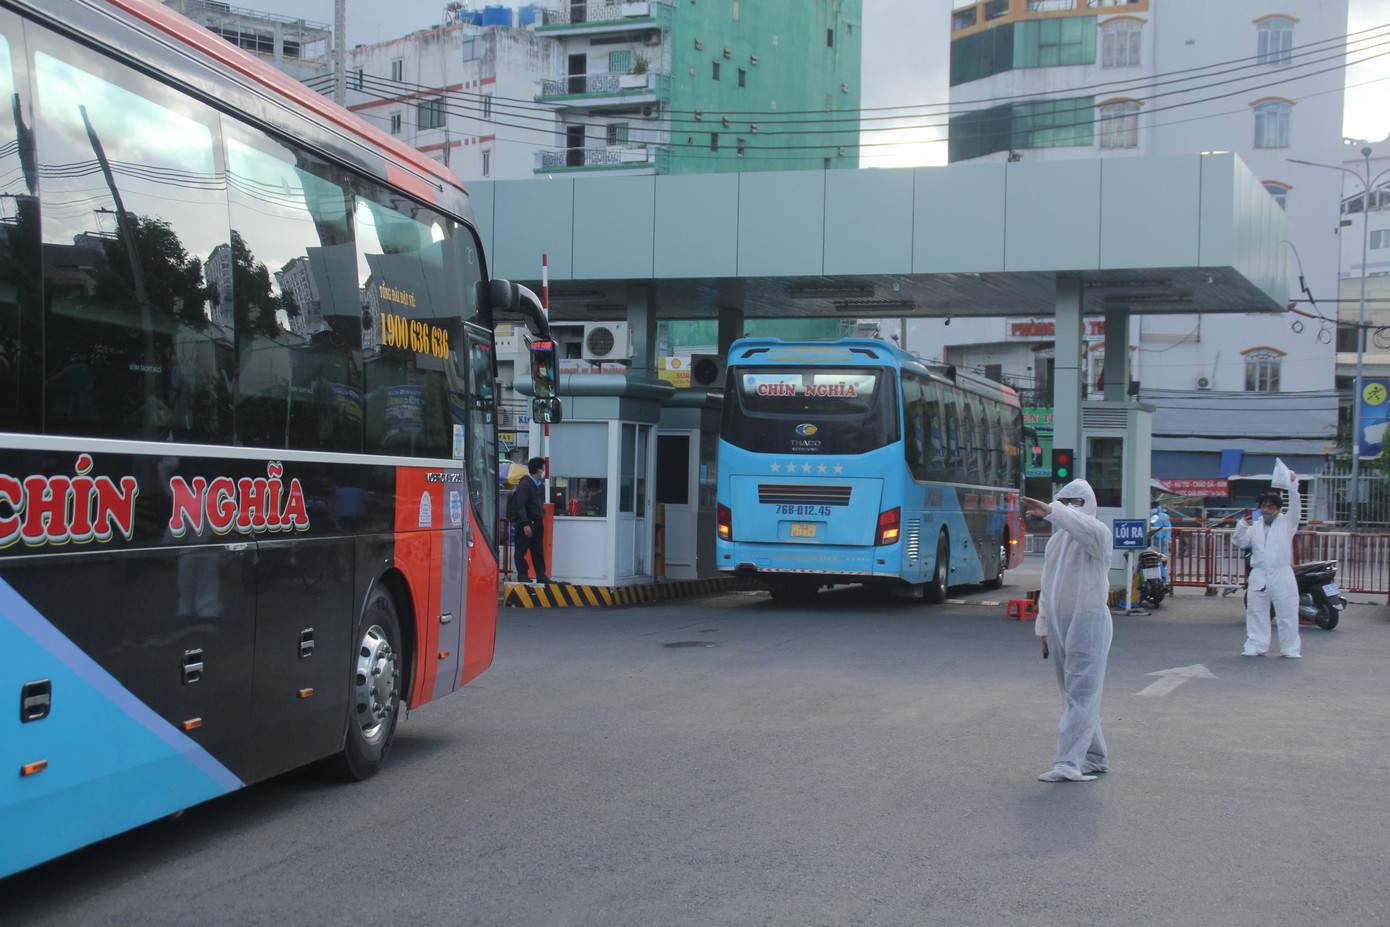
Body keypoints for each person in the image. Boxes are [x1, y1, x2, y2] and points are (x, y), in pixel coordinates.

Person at [1022, 479, 1113, 783]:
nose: (1070, 507)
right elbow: (1047, 588)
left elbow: (1082, 527)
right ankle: (1095, 758)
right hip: (1060, 627)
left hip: (1089, 625)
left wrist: (1053, 510)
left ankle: (1068, 763)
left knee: (1081, 695)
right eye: (1064, 500)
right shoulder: (1055, 543)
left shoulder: (1098, 535)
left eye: (1076, 502)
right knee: (1073, 694)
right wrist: (1044, 626)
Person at [1232, 476, 1301, 658]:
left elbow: (1296, 508)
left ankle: (1290, 648)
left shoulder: (1287, 523)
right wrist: (1241, 526)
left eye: (1270, 507)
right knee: (1256, 611)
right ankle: (1256, 645)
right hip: (1260, 573)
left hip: (1281, 572)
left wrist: (1293, 486)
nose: (1265, 510)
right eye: (1262, 506)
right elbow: (1239, 541)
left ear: (1278, 509)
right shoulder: (1254, 526)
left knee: (1287, 612)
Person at [512, 456, 550, 584]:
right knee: (521, 550)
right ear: (539, 470)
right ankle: (522, 575)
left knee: (538, 551)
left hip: (537, 523)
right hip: (527, 523)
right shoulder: (525, 484)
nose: (543, 471)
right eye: (543, 468)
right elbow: (521, 505)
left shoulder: (537, 485)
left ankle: (541, 575)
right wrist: (525, 523)